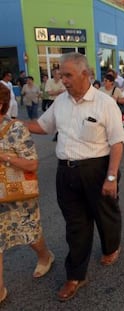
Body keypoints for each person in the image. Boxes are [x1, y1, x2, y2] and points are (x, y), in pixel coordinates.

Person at [26, 52, 124, 301]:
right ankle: (76, 275)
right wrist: (11, 122)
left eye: (68, 75)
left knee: (105, 216)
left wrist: (111, 177)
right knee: (76, 225)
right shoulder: (60, 102)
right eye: (61, 75)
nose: (63, 80)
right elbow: (43, 126)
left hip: (97, 170)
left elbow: (117, 143)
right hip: (66, 173)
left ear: (86, 74)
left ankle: (111, 246)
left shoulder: (105, 103)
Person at [0, 83, 54, 304]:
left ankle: (45, 255)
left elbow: (32, 165)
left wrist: (5, 157)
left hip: (17, 195)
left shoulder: (15, 128)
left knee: (29, 233)